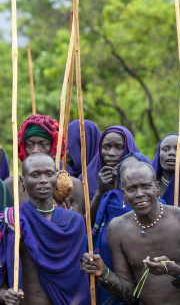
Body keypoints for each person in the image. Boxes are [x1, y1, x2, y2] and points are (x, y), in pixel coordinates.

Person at [81, 154, 180, 305]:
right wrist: (104, 272)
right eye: (132, 189)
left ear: (157, 188)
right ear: (124, 195)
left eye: (146, 186)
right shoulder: (117, 228)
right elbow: (128, 294)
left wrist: (174, 270)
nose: (139, 194)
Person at [0, 153, 90, 305]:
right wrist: (5, 295)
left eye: (49, 174)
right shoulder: (10, 220)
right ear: (22, 181)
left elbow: (80, 277)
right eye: (35, 175)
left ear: (56, 179)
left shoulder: (74, 222)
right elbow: (1, 283)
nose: (43, 180)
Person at [87, 126, 140, 305]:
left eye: (118, 147)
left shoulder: (140, 181)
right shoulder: (88, 178)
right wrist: (100, 192)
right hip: (99, 258)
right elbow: (87, 225)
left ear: (127, 149)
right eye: (106, 147)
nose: (111, 153)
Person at [5, 114, 84, 215]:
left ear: (54, 148)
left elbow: (76, 226)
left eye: (43, 145)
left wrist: (63, 199)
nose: (35, 150)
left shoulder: (74, 186)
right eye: (30, 145)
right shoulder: (11, 186)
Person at [151, 133, 180, 205]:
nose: (171, 153)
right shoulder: (149, 185)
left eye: (178, 150)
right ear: (158, 154)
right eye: (165, 149)